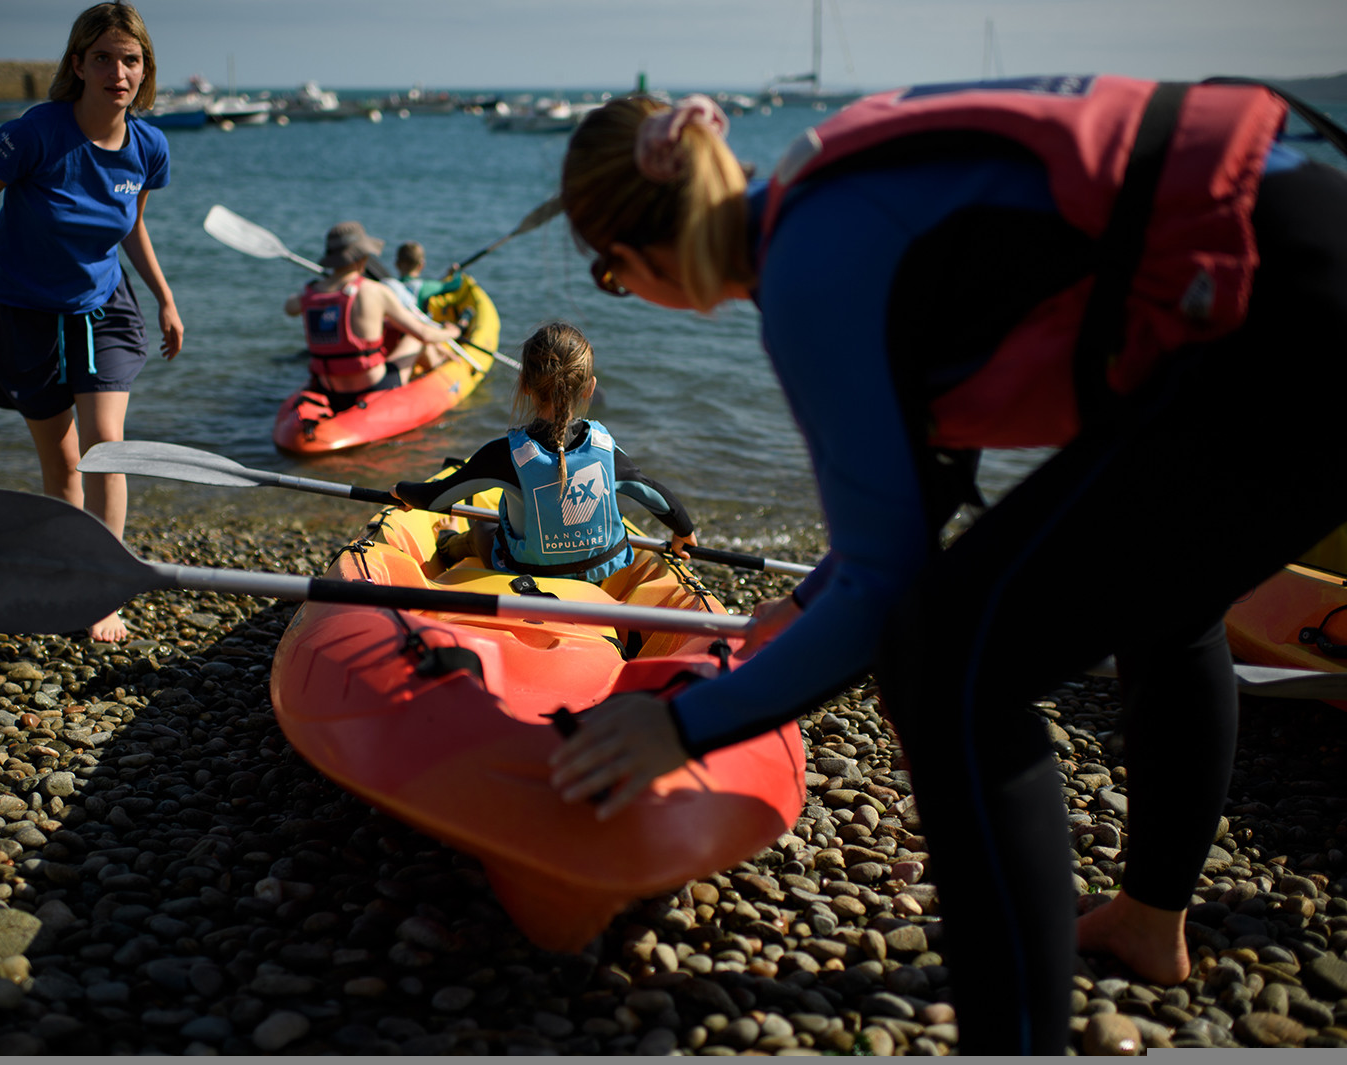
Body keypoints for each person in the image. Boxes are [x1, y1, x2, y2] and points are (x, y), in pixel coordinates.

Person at [544, 82, 1347, 1054]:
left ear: (627, 255)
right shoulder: (824, 202)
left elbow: (887, 589)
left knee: (946, 666)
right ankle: (1146, 926)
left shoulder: (808, 264)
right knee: (1166, 606)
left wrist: (679, 725)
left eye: (610, 280)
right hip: (1304, 265)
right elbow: (915, 494)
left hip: (1287, 323)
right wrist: (805, 605)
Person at [0, 1, 183, 643]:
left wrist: (163, 295)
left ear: (144, 70)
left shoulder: (148, 146)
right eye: (103, 57)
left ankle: (101, 588)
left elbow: (131, 222)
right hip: (20, 312)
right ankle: (69, 568)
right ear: (78, 64)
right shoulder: (34, 134)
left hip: (103, 307)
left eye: (130, 59)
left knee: (108, 448)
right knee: (65, 464)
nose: (117, 71)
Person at [391, 321, 697, 581]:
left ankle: (446, 543)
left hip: (526, 572)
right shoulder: (605, 450)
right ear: (589, 388)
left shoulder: (504, 455)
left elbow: (435, 497)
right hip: (597, 571)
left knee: (484, 526)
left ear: (525, 384)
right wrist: (684, 530)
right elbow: (654, 494)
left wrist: (401, 490)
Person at [283, 222, 460, 404]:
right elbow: (424, 334)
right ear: (363, 257)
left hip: (328, 386)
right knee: (414, 339)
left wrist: (325, 285)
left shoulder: (310, 294)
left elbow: (289, 307)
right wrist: (452, 332)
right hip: (372, 385)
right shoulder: (375, 291)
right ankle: (439, 371)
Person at [394, 240, 463, 310]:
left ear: (397, 264)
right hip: (414, 319)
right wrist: (457, 272)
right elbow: (455, 285)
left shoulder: (393, 285)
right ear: (421, 265)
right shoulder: (424, 287)